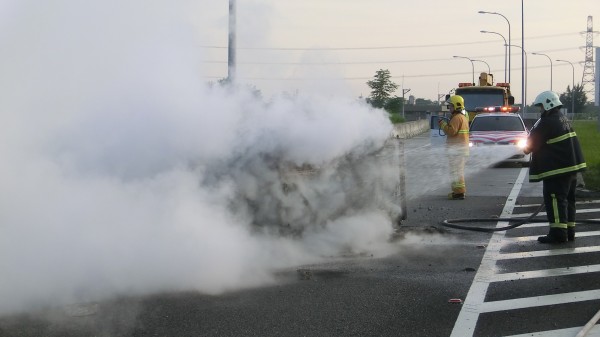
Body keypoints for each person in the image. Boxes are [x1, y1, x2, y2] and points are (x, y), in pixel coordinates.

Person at [523, 91, 586, 243]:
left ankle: (558, 234)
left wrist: (526, 148)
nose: (540, 110)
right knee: (568, 200)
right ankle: (569, 231)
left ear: (548, 104)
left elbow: (531, 145)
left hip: (557, 170)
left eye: (541, 107)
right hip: (570, 169)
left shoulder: (547, 122)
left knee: (555, 200)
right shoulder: (562, 118)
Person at [439, 95, 470, 200]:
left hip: (457, 150)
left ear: (457, 106)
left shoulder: (456, 118)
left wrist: (443, 124)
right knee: (456, 171)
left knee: (457, 172)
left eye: (451, 106)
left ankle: (459, 193)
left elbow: (451, 132)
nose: (450, 108)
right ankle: (458, 192)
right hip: (460, 150)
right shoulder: (463, 117)